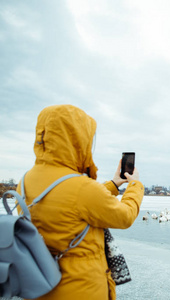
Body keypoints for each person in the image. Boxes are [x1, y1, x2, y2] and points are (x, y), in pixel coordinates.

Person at [17, 104, 144, 300]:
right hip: (80, 288)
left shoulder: (25, 181)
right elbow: (124, 216)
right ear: (76, 138)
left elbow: (72, 200)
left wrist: (113, 184)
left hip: (40, 284)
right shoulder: (82, 188)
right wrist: (135, 185)